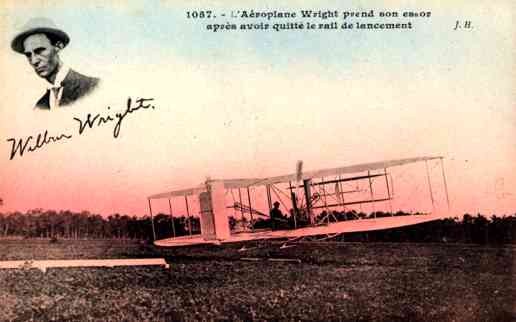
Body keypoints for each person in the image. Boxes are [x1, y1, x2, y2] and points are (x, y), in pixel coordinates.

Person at [11, 17, 100, 110]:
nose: (34, 61)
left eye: (40, 51)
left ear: (58, 46)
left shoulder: (92, 87)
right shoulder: (40, 106)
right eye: (28, 55)